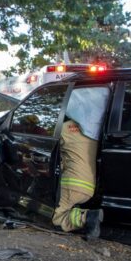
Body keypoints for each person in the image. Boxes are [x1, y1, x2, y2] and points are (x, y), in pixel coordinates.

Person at [51, 87, 109, 239]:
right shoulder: (95, 132)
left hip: (72, 185)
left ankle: (88, 217)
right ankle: (79, 213)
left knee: (53, 217)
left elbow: (49, 147)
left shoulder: (65, 129)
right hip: (89, 188)